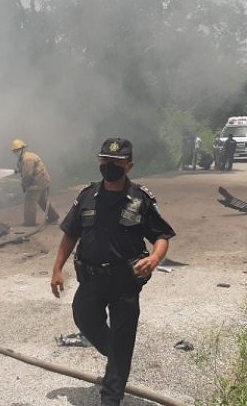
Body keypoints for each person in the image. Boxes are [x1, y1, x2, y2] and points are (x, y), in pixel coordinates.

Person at [50, 138, 176, 406]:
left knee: (123, 336)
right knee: (83, 316)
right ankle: (116, 354)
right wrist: (57, 269)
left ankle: (111, 396)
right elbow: (70, 234)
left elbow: (162, 235)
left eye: (116, 163)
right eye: (105, 161)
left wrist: (155, 257)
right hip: (92, 277)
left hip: (125, 281)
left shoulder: (140, 199)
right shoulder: (86, 196)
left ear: (128, 166)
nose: (109, 166)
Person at [11, 139, 60, 226]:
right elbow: (25, 170)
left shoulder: (27, 159)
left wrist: (24, 185)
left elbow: (28, 174)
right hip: (42, 181)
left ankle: (29, 222)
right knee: (43, 200)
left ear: (23, 149)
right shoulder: (26, 156)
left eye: (17, 150)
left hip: (37, 183)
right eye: (14, 151)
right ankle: (53, 217)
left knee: (29, 201)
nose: (16, 152)